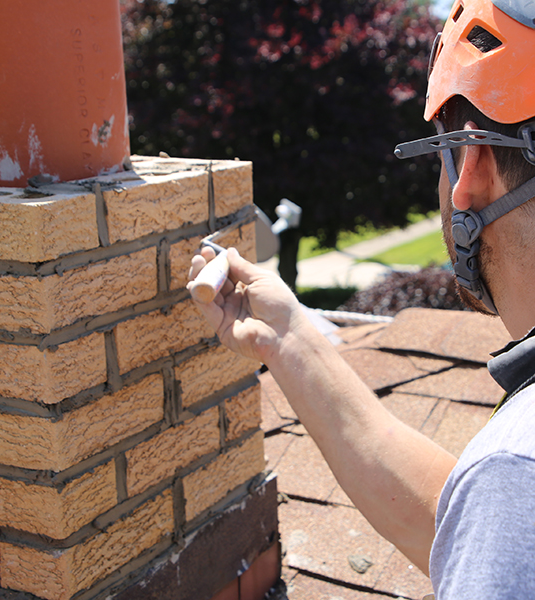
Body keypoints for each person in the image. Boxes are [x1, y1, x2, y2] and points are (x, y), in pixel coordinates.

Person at [188, 0, 535, 597]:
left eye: (441, 152)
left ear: (469, 168)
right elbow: (465, 533)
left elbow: (498, 517)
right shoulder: (506, 497)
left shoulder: (514, 477)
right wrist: (289, 338)